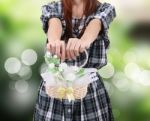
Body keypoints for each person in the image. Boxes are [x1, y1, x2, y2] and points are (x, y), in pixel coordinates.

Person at [33, 0, 116, 120]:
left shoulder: (104, 9)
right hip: (55, 90)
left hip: (89, 91)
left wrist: (83, 41)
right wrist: (54, 41)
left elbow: (96, 23)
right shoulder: (53, 7)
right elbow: (54, 22)